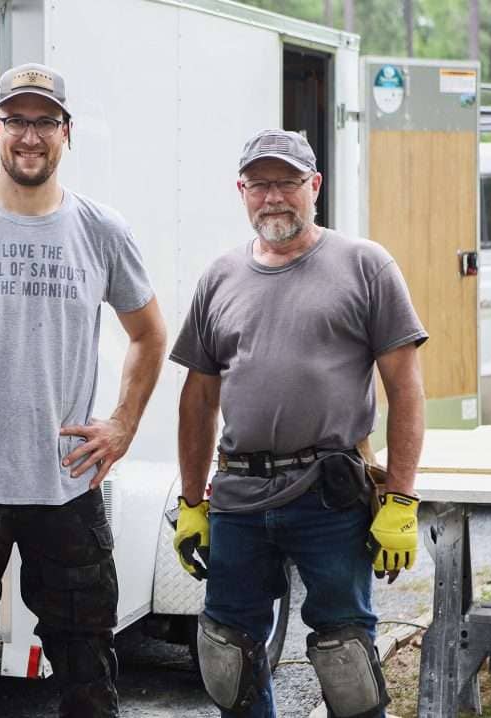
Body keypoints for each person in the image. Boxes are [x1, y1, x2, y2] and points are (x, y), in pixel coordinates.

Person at [0, 63, 168, 717]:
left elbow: (150, 335)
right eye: (17, 120)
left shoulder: (101, 230)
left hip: (66, 490)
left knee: (88, 679)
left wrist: (123, 424)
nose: (30, 135)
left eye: (45, 121)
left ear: (66, 131)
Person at [170, 129, 427, 718]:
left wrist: (401, 499)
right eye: (259, 184)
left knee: (346, 659)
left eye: (287, 181)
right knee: (227, 654)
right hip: (238, 497)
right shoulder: (219, 277)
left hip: (329, 496)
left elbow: (406, 390)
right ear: (241, 191)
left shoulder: (366, 266)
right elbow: (198, 399)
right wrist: (192, 503)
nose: (273, 197)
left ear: (315, 185)